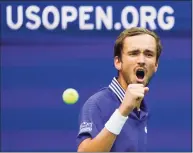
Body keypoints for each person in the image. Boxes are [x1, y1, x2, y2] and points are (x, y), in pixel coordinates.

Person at [76, 27, 162, 152]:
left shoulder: (142, 109)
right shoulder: (97, 103)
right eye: (134, 53)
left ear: (156, 65)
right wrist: (123, 111)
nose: (142, 61)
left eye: (149, 54)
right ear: (118, 62)